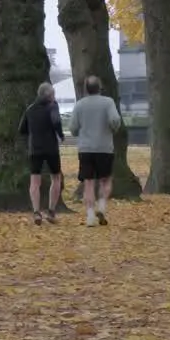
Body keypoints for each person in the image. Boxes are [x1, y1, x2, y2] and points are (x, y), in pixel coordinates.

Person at [69, 75, 121, 227]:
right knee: (106, 180)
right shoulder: (108, 102)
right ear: (100, 88)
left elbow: (72, 128)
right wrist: (113, 130)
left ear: (86, 89)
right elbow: (115, 120)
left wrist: (81, 132)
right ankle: (102, 206)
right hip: (104, 148)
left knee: (89, 183)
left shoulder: (79, 105)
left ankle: (90, 216)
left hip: (85, 149)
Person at [19, 82, 65, 225]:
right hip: (51, 148)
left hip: (35, 149)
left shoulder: (30, 109)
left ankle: (36, 212)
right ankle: (51, 211)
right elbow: (56, 122)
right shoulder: (53, 106)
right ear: (49, 95)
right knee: (56, 178)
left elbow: (22, 129)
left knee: (35, 181)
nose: (54, 96)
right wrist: (60, 135)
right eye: (53, 94)